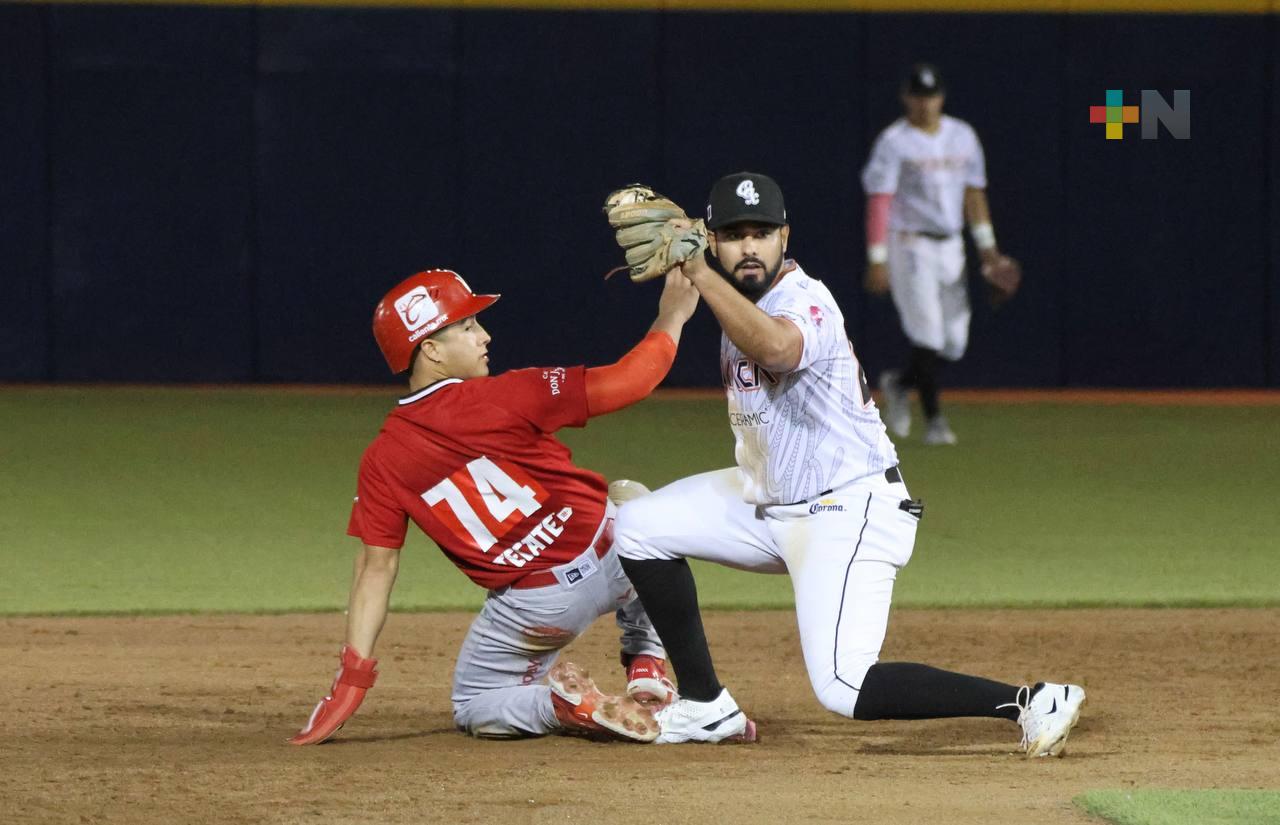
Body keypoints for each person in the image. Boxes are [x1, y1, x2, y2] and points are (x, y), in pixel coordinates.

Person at [614, 171, 1086, 755]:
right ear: (711, 240)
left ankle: (1033, 700)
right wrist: (682, 290)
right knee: (637, 528)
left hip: (847, 507)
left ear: (785, 236)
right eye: (735, 235)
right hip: (768, 501)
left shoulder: (803, 298)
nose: (751, 246)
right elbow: (665, 338)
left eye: (762, 232)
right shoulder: (724, 291)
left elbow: (779, 350)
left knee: (844, 684)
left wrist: (703, 274)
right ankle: (707, 705)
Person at [290, 266, 699, 745]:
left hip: (543, 607)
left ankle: (559, 705)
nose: (484, 335)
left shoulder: (381, 460)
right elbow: (630, 380)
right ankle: (647, 661)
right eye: (466, 326)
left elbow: (375, 571)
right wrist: (672, 315)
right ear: (431, 350)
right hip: (617, 555)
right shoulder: (508, 394)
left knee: (475, 704)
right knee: (638, 506)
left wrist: (352, 680)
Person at [861, 63, 1010, 445]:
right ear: (906, 98)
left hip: (952, 245)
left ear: (941, 97)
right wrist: (877, 257)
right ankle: (935, 422)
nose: (925, 103)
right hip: (910, 243)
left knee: (955, 344)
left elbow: (974, 193)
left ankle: (899, 382)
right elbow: (880, 199)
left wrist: (988, 249)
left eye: (930, 96)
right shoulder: (894, 141)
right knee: (927, 335)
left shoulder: (962, 136)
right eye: (918, 96)